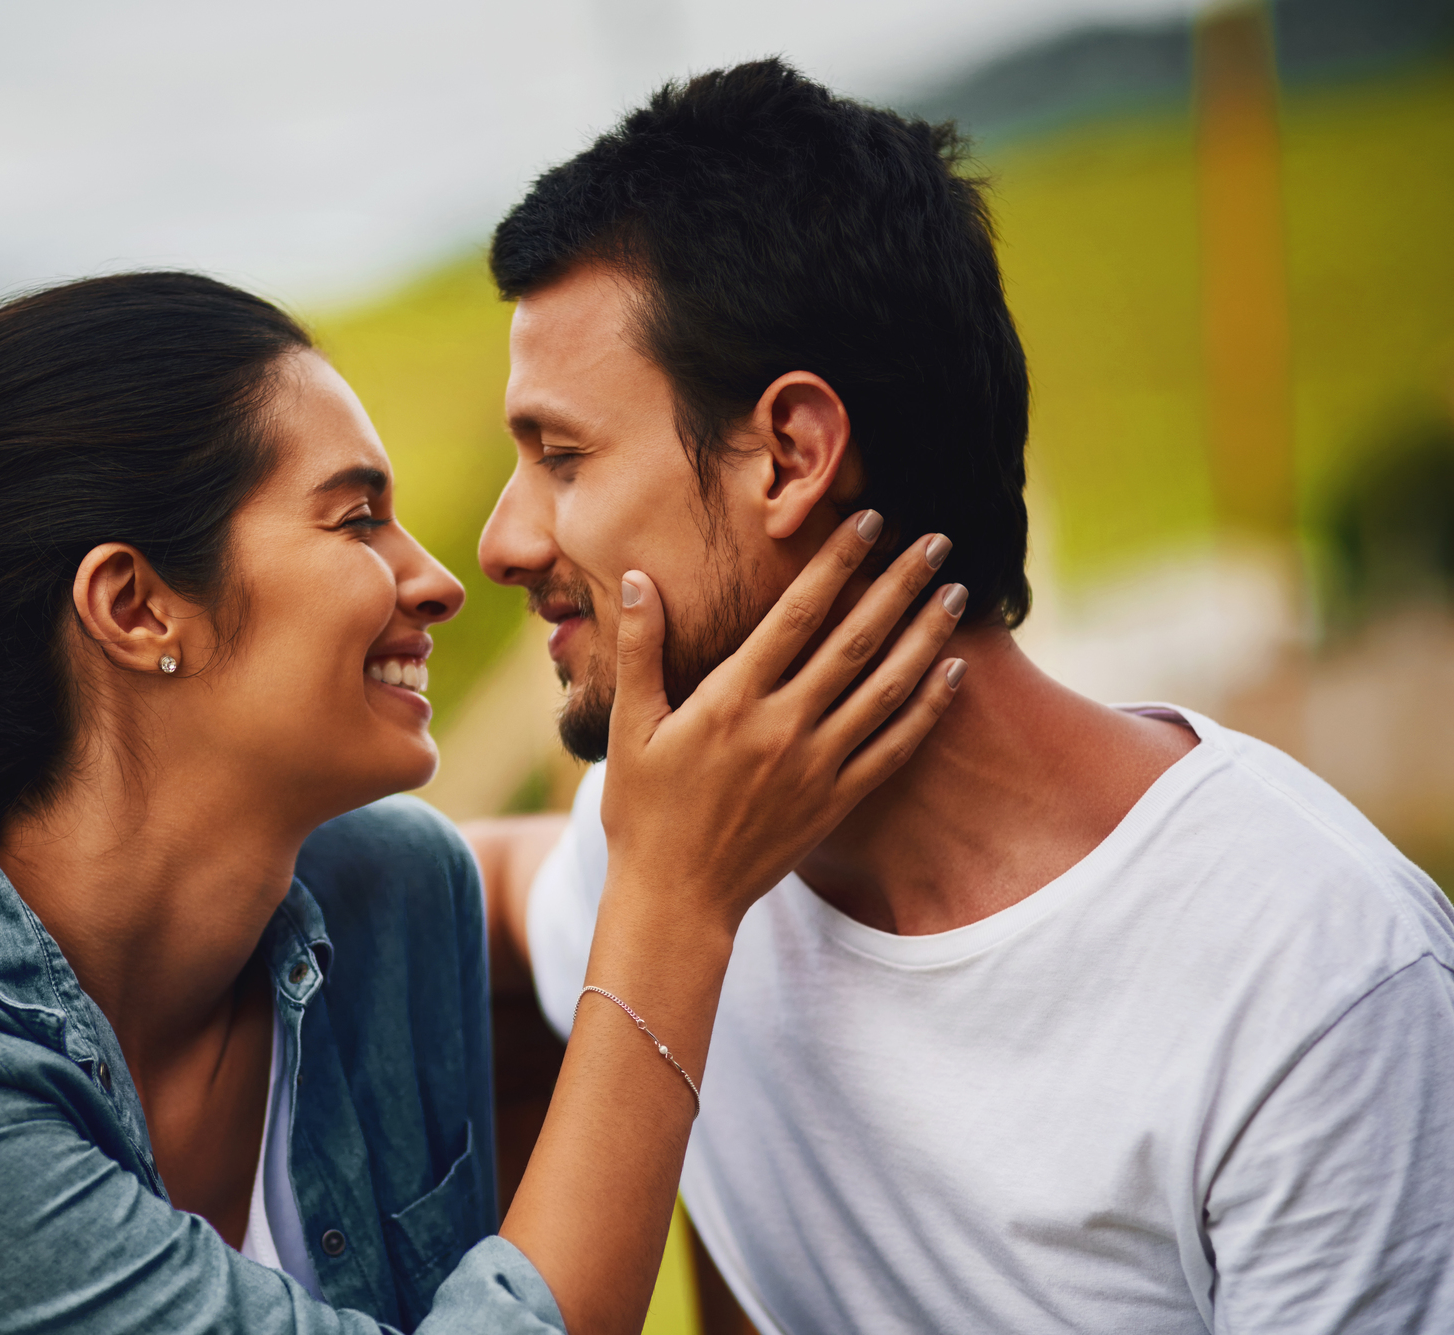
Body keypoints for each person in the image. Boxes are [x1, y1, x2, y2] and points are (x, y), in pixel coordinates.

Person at [0, 271, 965, 1333]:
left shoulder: (392, 894)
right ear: (136, 605)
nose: (440, 576)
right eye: (355, 519)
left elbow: (519, 877)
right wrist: (669, 902)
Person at [468, 60, 1454, 1335]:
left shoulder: (1310, 979)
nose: (500, 542)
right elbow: (459, 886)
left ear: (791, 454)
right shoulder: (671, 851)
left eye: (560, 458)